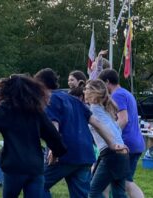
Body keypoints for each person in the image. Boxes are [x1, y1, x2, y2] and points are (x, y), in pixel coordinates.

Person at [35, 68, 95, 198]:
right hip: (85, 153)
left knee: (38, 186)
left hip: (64, 152)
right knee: (81, 195)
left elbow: (53, 127)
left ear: (40, 84)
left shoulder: (49, 99)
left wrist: (54, 150)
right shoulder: (73, 99)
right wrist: (114, 143)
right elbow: (97, 123)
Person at [98, 69, 145, 197]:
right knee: (119, 181)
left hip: (126, 143)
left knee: (126, 182)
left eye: (102, 84)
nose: (102, 89)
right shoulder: (126, 93)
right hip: (135, 142)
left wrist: (111, 137)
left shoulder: (117, 95)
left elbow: (123, 120)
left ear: (107, 82)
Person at [85, 80, 131, 198]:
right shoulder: (106, 110)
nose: (84, 92)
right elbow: (117, 130)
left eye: (86, 89)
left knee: (94, 191)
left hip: (111, 152)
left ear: (93, 93)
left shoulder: (93, 110)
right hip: (122, 152)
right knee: (119, 193)